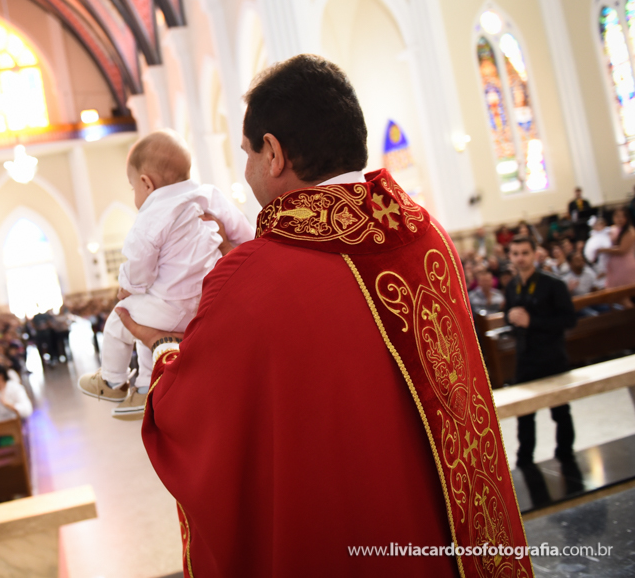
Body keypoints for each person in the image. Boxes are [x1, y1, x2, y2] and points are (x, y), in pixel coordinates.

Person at [115, 54, 532, 576]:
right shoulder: (428, 236)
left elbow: (191, 418)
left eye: (247, 153)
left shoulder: (247, 279)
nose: (246, 172)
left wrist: (161, 345)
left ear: (273, 154)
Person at [78, 130, 253, 420]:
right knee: (148, 326)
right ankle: (145, 388)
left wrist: (127, 287)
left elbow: (139, 266)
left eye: (133, 188)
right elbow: (245, 237)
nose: (135, 195)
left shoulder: (151, 215)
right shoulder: (210, 195)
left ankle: (111, 381)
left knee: (120, 319)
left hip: (170, 305)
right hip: (208, 303)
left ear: (146, 183)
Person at [504, 236, 578, 467]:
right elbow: (512, 320)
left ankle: (565, 454)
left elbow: (569, 320)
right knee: (525, 413)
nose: (520, 258)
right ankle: (525, 459)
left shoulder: (553, 284)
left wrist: (532, 322)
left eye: (525, 253)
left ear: (535, 254)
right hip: (525, 358)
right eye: (516, 253)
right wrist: (510, 319)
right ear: (510, 257)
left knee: (560, 411)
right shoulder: (512, 286)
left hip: (551, 357)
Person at [595, 208, 635, 295]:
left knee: (623, 295)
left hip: (625, 265)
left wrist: (603, 250)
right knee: (613, 294)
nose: (620, 219)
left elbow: (622, 250)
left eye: (623, 217)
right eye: (617, 216)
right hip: (613, 266)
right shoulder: (612, 229)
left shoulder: (630, 231)